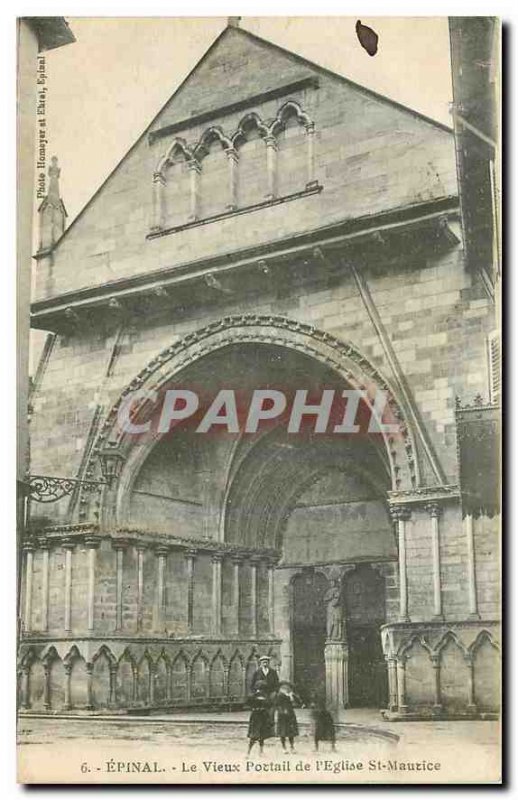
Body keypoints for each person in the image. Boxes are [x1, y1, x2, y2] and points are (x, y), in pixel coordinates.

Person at [247, 679, 274, 755]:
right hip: (258, 716)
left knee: (261, 734)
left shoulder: (263, 696)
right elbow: (249, 703)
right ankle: (250, 752)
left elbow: (269, 704)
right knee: (255, 735)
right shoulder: (255, 696)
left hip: (260, 716)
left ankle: (259, 752)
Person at [275, 681, 300, 753]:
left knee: (291, 731)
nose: (286, 688)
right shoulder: (279, 695)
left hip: (290, 713)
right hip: (282, 715)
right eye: (284, 687)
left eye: (287, 687)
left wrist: (292, 696)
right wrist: (281, 711)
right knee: (282, 731)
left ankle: (292, 747)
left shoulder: (290, 695)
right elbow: (277, 705)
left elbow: (298, 702)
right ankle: (284, 747)